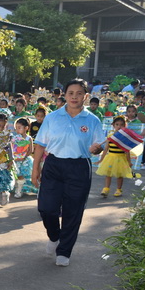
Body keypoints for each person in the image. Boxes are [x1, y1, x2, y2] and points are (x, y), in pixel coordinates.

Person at [32, 78, 105, 267]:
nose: (74, 97)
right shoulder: (52, 117)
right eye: (70, 93)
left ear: (85, 96)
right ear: (64, 95)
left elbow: (98, 146)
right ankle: (54, 236)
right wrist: (35, 168)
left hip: (79, 167)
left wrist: (97, 149)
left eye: (79, 93)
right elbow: (40, 144)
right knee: (46, 208)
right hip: (53, 165)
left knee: (73, 211)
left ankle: (64, 251)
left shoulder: (92, 120)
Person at [96, 116, 133, 197]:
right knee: (108, 174)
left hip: (120, 158)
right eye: (117, 124)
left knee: (119, 175)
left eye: (122, 125)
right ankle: (106, 189)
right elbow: (106, 149)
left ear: (125, 126)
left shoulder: (125, 138)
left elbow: (127, 151)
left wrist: (129, 162)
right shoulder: (110, 136)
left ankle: (119, 189)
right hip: (111, 158)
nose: (119, 126)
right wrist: (101, 159)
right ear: (113, 125)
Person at [11, 117, 36, 198]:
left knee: (22, 175)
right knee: (16, 175)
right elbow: (12, 148)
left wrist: (24, 156)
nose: (17, 130)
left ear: (26, 128)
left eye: (19, 127)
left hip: (25, 160)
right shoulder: (15, 138)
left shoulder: (29, 138)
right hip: (16, 159)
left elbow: (31, 150)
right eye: (16, 128)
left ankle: (19, 191)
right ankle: (16, 188)